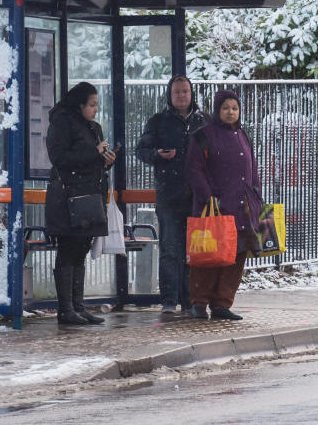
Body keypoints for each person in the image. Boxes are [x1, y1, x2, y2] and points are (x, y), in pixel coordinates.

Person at [184, 89, 263, 320]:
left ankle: (222, 303)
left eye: (235, 108)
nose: (231, 112)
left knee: (236, 256)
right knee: (209, 255)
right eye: (226, 108)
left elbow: (252, 168)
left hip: (241, 208)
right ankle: (199, 302)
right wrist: (208, 197)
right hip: (215, 207)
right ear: (218, 110)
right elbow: (194, 170)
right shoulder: (204, 135)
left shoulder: (243, 135)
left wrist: (255, 194)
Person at [44, 82, 117, 325]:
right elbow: (59, 158)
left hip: (90, 196)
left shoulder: (93, 127)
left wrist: (106, 160)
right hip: (68, 198)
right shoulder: (62, 122)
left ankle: (78, 305)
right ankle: (65, 309)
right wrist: (94, 153)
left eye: (97, 104)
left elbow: (91, 159)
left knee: (81, 250)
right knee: (69, 250)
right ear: (80, 104)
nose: (96, 109)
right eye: (92, 104)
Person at [135, 75, 208, 314]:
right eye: (176, 92)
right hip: (169, 195)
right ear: (169, 95)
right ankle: (169, 299)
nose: (181, 96)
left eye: (185, 91)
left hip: (197, 196)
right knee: (169, 248)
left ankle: (190, 299)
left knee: (194, 250)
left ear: (191, 93)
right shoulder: (158, 121)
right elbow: (141, 150)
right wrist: (158, 154)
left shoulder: (203, 121)